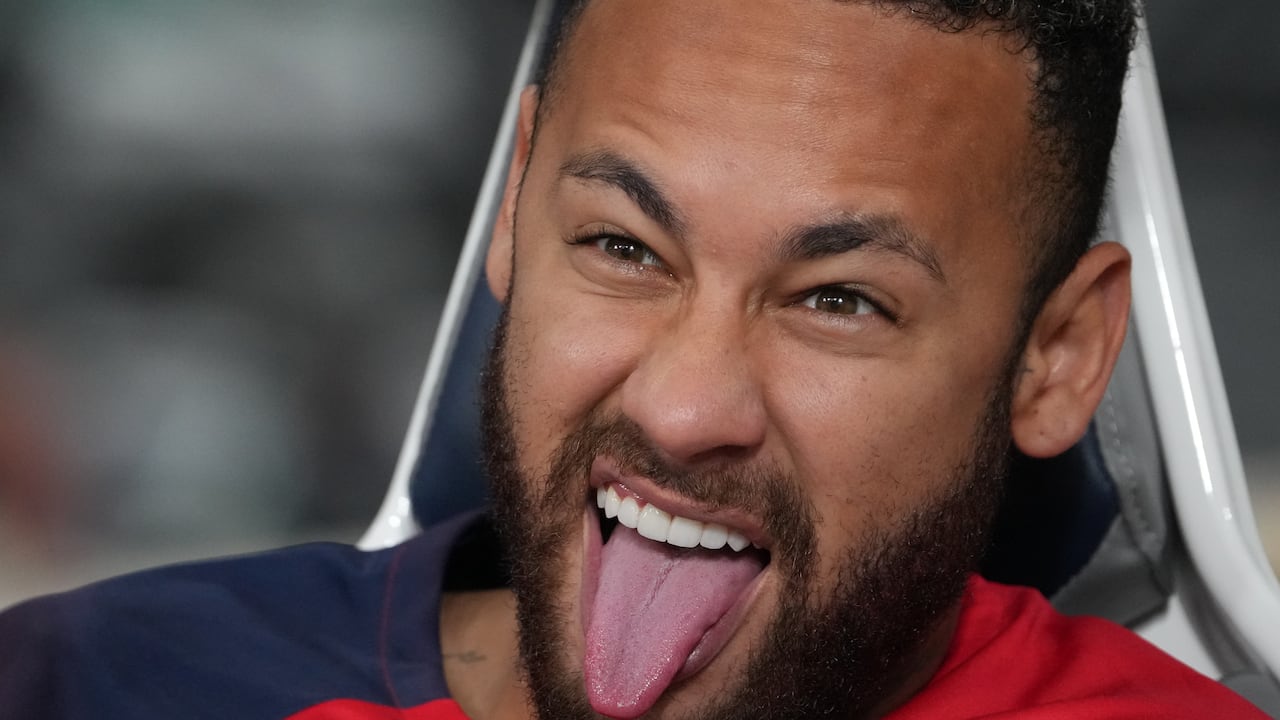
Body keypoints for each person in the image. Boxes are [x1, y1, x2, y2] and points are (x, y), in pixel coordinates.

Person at [0, 1, 1270, 718]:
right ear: (514, 207)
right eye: (622, 245)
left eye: (836, 300)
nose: (678, 407)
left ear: (1057, 355)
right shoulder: (96, 684)